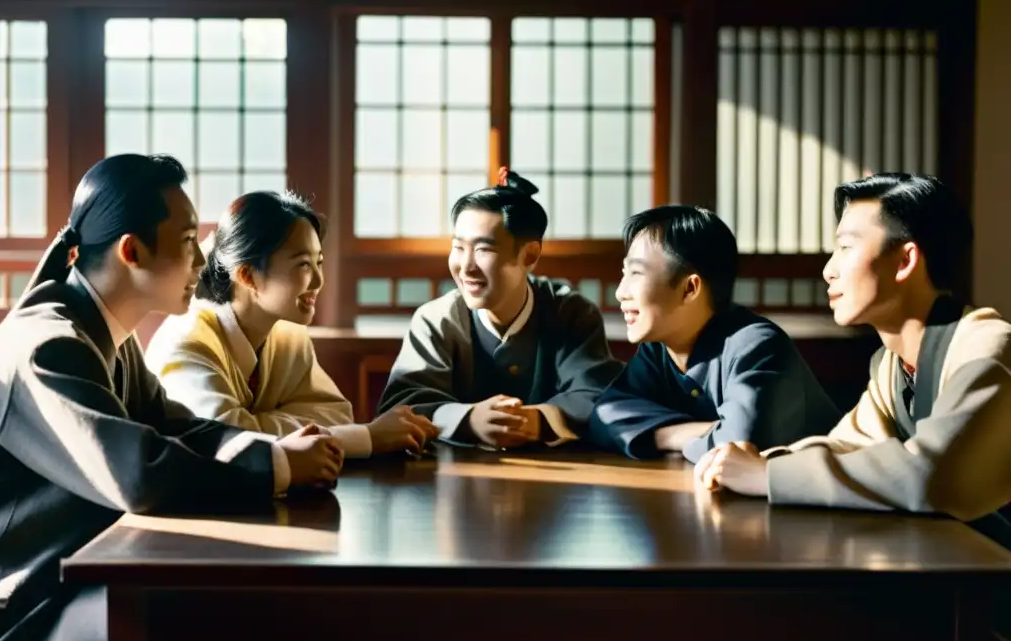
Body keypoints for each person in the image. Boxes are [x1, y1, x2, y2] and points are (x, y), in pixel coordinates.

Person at [0, 154, 343, 641]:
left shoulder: (105, 335)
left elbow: (178, 425)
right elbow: (139, 473)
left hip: (89, 569)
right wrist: (279, 471)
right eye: (185, 241)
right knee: (227, 616)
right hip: (28, 603)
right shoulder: (48, 346)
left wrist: (272, 455)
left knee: (269, 611)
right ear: (132, 251)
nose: (203, 261)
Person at [695, 173, 1011, 641]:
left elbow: (928, 476)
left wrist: (764, 476)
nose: (828, 269)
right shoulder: (894, 365)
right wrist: (758, 463)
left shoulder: (987, 347)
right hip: (960, 586)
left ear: (906, 259)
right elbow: (848, 445)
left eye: (845, 247)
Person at [145, 190, 440, 461]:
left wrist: (257, 424)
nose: (318, 281)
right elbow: (227, 441)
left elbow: (337, 414)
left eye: (318, 262)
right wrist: (367, 437)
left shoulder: (286, 333)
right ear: (247, 276)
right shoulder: (187, 343)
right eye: (302, 265)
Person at [377, 168, 624, 450]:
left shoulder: (570, 312)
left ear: (529, 255)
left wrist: (538, 420)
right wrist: (468, 418)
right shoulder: (437, 319)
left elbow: (595, 391)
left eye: (484, 249)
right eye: (458, 247)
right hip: (453, 482)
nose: (466, 267)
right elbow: (403, 402)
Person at [589, 204, 839, 464]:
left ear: (689, 288)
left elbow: (740, 445)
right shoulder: (658, 350)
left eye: (636, 273)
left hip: (817, 493)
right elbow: (603, 417)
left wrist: (651, 433)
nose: (620, 292)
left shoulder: (757, 345)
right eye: (624, 273)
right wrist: (673, 435)